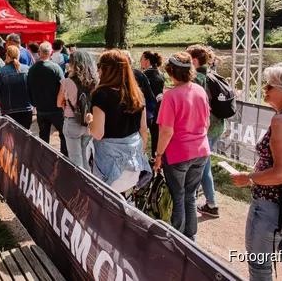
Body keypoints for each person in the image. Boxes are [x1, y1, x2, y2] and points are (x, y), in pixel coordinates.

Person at [230, 62, 282, 280]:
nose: (265, 89)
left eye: (270, 86)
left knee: (260, 269)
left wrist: (248, 178)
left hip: (272, 206)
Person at [154, 52, 210, 242]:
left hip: (179, 153)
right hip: (201, 150)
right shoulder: (200, 90)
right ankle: (191, 237)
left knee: (178, 196)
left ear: (171, 73)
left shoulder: (170, 97)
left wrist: (159, 154)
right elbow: (206, 123)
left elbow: (166, 132)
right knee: (190, 196)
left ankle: (177, 238)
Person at [85, 50, 150, 193]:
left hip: (109, 162)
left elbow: (98, 133)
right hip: (132, 160)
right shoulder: (136, 93)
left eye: (99, 66)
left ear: (106, 69)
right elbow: (143, 129)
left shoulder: (101, 94)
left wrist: (90, 121)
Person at [186, 44, 223, 219]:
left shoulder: (197, 78)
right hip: (217, 125)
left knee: (202, 165)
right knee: (204, 163)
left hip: (204, 127)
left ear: (194, 60)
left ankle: (211, 204)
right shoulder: (212, 75)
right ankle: (209, 202)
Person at [57, 50, 97, 171]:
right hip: (90, 122)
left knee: (75, 159)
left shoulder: (66, 82)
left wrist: (66, 103)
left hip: (72, 121)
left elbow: (58, 103)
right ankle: (89, 182)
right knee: (85, 156)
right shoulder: (96, 82)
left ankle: (80, 186)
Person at [28, 42, 68, 156]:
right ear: (50, 52)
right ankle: (64, 156)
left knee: (43, 135)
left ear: (40, 52)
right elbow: (63, 86)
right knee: (62, 134)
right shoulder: (55, 68)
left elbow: (29, 88)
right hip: (56, 107)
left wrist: (34, 103)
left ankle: (44, 156)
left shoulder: (32, 69)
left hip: (41, 108)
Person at [0, 46, 33, 129]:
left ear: (7, 56)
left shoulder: (1, 72)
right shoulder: (27, 69)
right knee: (24, 136)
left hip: (8, 109)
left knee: (10, 138)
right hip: (26, 108)